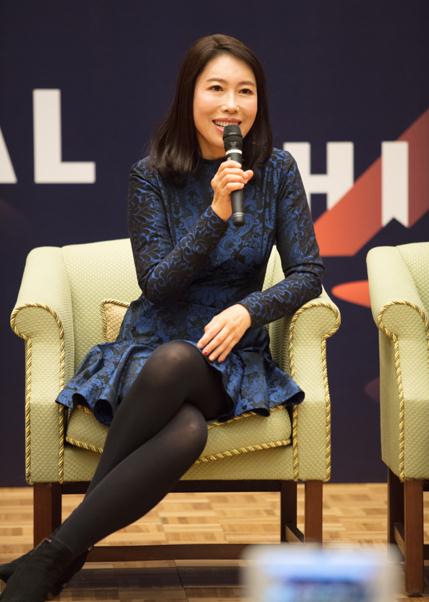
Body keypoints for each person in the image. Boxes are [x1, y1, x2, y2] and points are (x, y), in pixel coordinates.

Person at [0, 33, 324, 601]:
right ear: (188, 95)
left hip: (229, 357)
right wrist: (216, 213)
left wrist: (247, 311)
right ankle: (56, 558)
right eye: (216, 89)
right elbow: (158, 284)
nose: (231, 105)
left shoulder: (277, 171)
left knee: (184, 363)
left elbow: (307, 273)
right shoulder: (150, 175)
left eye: (245, 91)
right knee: (187, 426)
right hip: (152, 351)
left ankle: (52, 556)